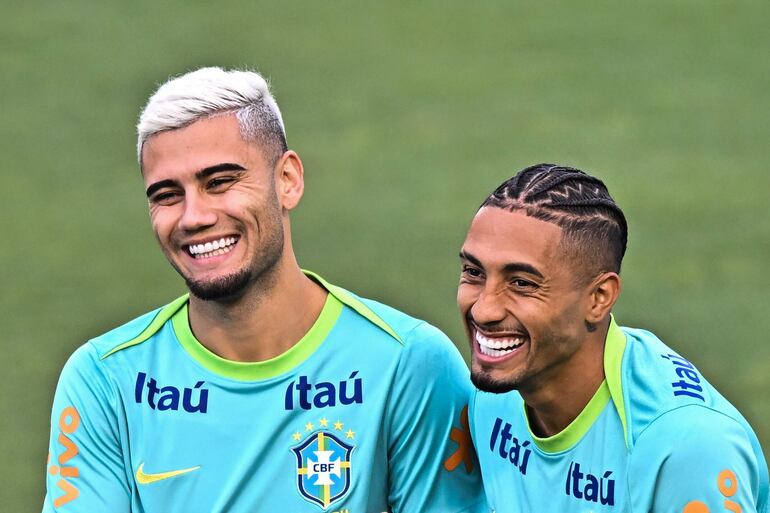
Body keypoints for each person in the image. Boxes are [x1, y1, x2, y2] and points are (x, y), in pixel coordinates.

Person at [43, 67, 485, 513]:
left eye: (219, 182)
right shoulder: (105, 381)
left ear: (287, 180)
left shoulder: (408, 364)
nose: (193, 216)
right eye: (166, 195)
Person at [458, 163, 769, 512]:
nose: (484, 310)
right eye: (473, 272)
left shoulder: (685, 447)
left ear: (599, 298)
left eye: (522, 284)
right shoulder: (491, 396)